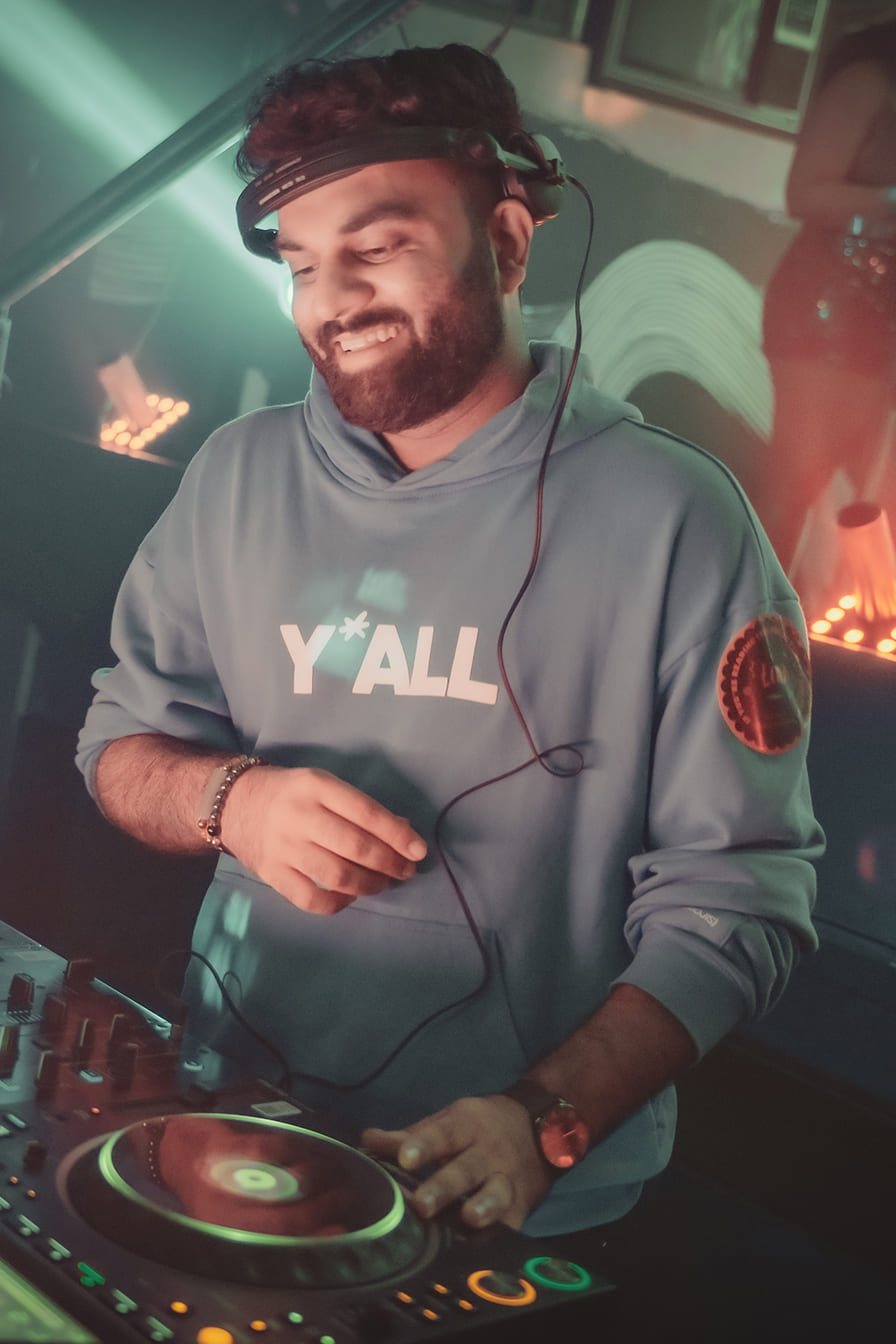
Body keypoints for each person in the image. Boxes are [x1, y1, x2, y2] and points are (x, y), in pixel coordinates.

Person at [76, 43, 822, 1239]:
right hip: (228, 1121)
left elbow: (742, 895)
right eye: (303, 265)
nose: (331, 300)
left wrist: (546, 1117)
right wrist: (231, 802)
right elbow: (118, 745)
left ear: (509, 243)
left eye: (375, 248)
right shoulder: (233, 474)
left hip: (502, 1191)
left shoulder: (678, 516)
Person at [760, 19, 896, 582]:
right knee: (794, 489)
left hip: (882, 324)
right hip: (827, 314)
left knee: (880, 507)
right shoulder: (869, 82)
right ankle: (748, 623)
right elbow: (804, 192)